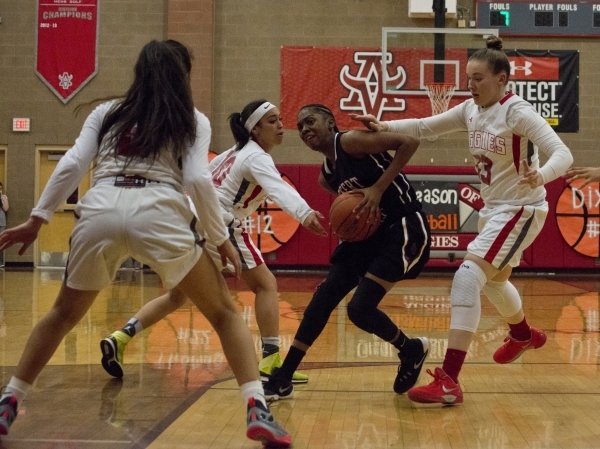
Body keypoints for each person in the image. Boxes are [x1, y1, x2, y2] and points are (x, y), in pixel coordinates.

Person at [0, 40, 291, 446]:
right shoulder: (191, 118)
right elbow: (196, 180)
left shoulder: (106, 112)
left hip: (99, 208)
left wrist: (37, 219)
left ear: (139, 72)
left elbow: (71, 163)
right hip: (158, 210)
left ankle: (10, 399)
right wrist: (221, 238)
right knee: (224, 313)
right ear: (183, 76)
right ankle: (257, 408)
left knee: (61, 315)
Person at [351, 36, 573, 405]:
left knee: (468, 275)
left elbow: (561, 152)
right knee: (495, 282)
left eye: (479, 78)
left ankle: (450, 381)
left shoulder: (517, 112)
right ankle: (522, 335)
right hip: (496, 208)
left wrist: (544, 175)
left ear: (502, 79)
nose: (470, 85)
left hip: (522, 207)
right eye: (468, 77)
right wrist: (383, 125)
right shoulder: (470, 110)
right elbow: (423, 127)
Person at [100, 99, 327, 384]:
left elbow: (200, 178)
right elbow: (278, 188)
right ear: (255, 129)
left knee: (178, 295)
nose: (281, 126)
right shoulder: (256, 156)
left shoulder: (233, 152)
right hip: (219, 222)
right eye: (273, 121)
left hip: (189, 220)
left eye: (281, 119)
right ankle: (271, 362)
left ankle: (120, 337)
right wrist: (304, 213)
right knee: (266, 285)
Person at [262, 103, 431, 401]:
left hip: (403, 227)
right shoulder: (326, 176)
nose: (304, 129)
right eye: (300, 127)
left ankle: (411, 349)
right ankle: (283, 378)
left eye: (310, 121)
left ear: (330, 123)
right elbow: (351, 207)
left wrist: (378, 188)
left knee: (359, 309)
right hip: (370, 237)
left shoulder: (350, 141)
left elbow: (410, 142)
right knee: (323, 298)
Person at [0, 183, 8, 268]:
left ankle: (0, 261)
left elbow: (6, 208)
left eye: (1, 188)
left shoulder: (4, 197)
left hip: (1, 222)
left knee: (1, 241)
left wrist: (1, 199)